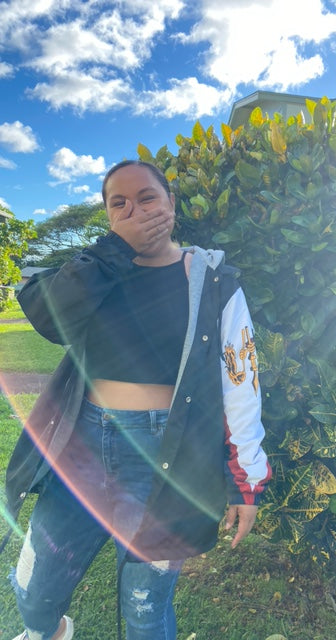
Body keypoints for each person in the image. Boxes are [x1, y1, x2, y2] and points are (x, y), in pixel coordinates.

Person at [3, 160, 271, 640]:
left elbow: (241, 380)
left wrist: (245, 479)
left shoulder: (212, 280)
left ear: (171, 203)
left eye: (147, 197)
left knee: (145, 608)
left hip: (164, 456)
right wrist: (114, 253)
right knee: (32, 585)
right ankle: (49, 630)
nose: (134, 209)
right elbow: (46, 316)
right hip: (80, 446)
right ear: (108, 217)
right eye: (118, 203)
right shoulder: (92, 272)